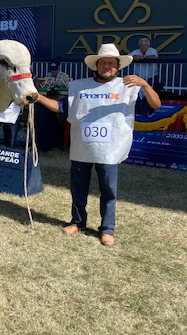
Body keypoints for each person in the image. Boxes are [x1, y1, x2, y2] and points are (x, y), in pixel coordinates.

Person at [36, 44, 160, 246]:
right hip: (82, 147)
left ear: (118, 67)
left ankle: (107, 229)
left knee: (109, 189)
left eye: (112, 63)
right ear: (96, 65)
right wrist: (39, 97)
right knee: (78, 187)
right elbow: (60, 108)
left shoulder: (129, 87)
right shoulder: (79, 86)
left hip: (110, 150)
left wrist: (145, 85)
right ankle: (78, 222)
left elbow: (155, 105)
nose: (107, 66)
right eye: (104, 62)